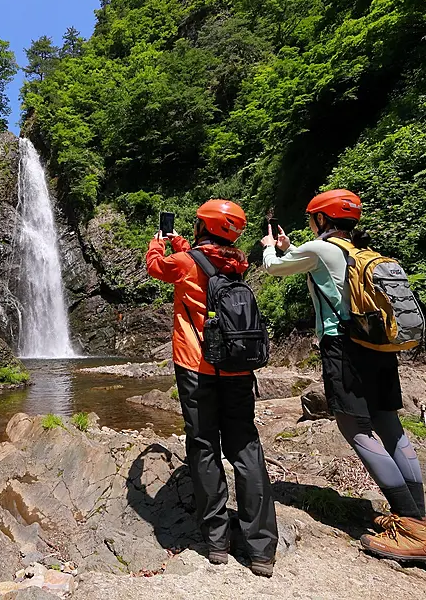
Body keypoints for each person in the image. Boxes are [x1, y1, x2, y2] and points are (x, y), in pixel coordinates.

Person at [261, 189, 426, 568]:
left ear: (321, 219)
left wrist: (270, 248)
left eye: (312, 218)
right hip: (377, 347)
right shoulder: (358, 251)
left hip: (344, 348)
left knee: (356, 429)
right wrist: (291, 246)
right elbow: (324, 268)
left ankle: (413, 530)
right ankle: (418, 518)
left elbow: (274, 268)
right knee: (390, 427)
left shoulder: (319, 248)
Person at [146, 199, 278, 577]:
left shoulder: (186, 263)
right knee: (245, 447)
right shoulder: (238, 262)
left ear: (202, 227)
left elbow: (156, 266)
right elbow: (201, 258)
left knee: (204, 446)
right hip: (238, 369)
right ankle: (261, 549)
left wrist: (158, 241)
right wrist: (181, 243)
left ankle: (217, 542)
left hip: (197, 367)